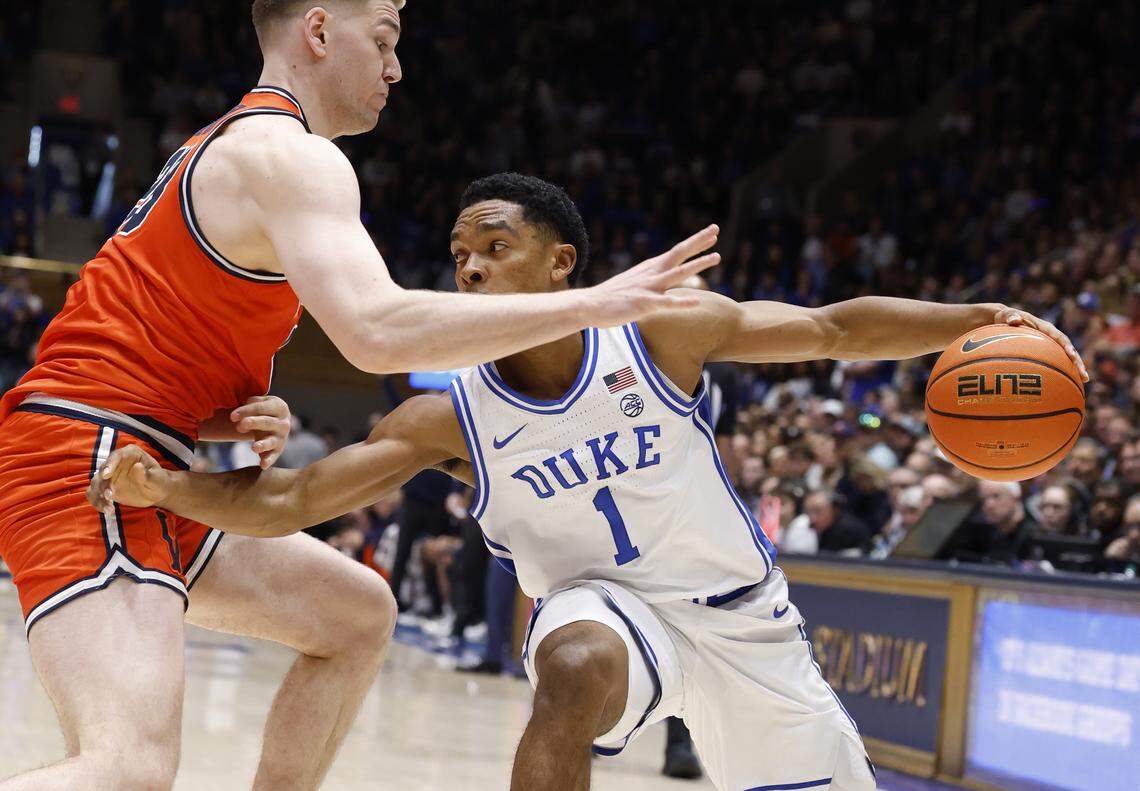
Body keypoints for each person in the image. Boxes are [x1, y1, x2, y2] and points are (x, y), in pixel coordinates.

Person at [91, 173, 1084, 791]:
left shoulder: (661, 331)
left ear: (562, 262)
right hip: (605, 611)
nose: (470, 270)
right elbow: (293, 502)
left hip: (744, 624)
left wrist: (977, 315)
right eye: (459, 257)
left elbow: (834, 327)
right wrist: (170, 488)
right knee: (569, 662)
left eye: (495, 246)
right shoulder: (450, 413)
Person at [0, 2, 722, 787]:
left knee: (356, 613)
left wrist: (220, 420)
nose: (395, 68)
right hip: (89, 459)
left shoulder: (224, 148)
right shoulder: (290, 155)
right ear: (318, 31)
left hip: (138, 451)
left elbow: (131, 343)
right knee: (127, 767)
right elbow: (376, 330)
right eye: (383, 41)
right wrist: (599, 302)